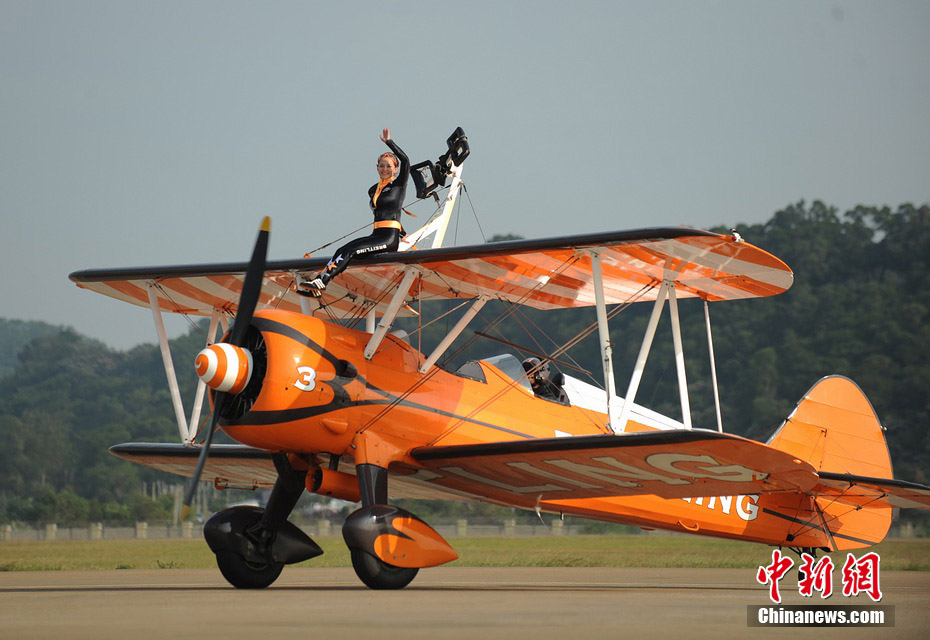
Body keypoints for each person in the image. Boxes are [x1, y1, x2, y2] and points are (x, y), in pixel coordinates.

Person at [298, 128, 409, 297]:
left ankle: (323, 280)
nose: (384, 169)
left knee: (351, 251)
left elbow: (406, 160)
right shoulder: (373, 190)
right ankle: (318, 289)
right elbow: (385, 213)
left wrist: (389, 142)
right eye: (381, 165)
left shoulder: (398, 185)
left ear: (395, 169)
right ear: (376, 167)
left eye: (389, 166)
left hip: (388, 239)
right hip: (376, 235)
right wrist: (404, 231)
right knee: (343, 249)